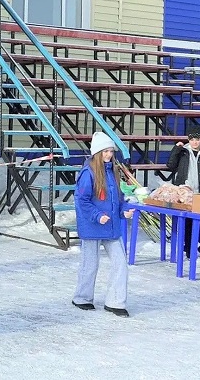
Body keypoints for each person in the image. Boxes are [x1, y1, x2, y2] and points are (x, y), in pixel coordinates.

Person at [72, 132, 135, 318]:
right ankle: (82, 297)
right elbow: (81, 199)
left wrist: (123, 210)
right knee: (90, 264)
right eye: (105, 151)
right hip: (93, 225)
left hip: (111, 226)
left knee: (120, 263)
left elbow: (118, 198)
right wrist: (97, 215)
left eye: (111, 151)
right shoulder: (88, 173)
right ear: (97, 152)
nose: (108, 154)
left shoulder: (113, 171)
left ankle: (116, 301)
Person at [166, 126, 200, 259]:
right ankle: (188, 248)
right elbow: (171, 165)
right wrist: (176, 149)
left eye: (197, 140)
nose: (194, 142)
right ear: (188, 140)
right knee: (188, 221)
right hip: (185, 191)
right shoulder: (183, 151)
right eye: (192, 140)